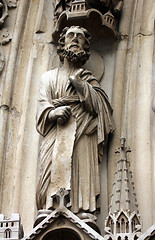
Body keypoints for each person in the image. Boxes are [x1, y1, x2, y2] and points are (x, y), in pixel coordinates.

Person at [36, 26, 114, 215]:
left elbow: (102, 109)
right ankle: (50, 206)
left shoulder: (89, 79)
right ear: (62, 44)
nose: (75, 39)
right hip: (56, 135)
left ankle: (82, 209)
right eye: (71, 36)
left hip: (83, 134)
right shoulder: (48, 77)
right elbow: (42, 103)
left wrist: (81, 86)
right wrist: (52, 113)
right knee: (49, 177)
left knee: (81, 170)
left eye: (80, 37)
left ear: (86, 47)